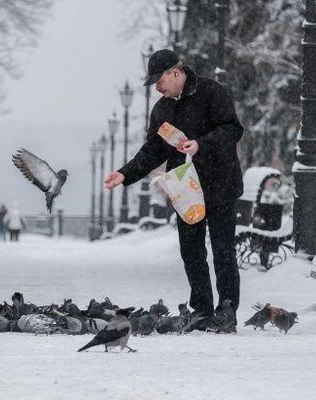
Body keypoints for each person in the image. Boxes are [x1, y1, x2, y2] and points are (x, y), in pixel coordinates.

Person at [104, 49, 243, 332]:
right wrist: (124, 173)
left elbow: (232, 129)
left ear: (176, 72)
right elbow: (153, 150)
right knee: (191, 251)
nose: (157, 87)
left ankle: (227, 308)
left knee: (223, 249)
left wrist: (201, 144)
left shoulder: (211, 92)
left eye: (160, 80)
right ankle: (202, 309)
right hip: (185, 189)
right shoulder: (162, 109)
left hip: (220, 183)